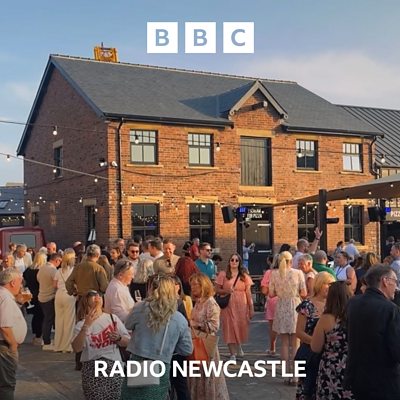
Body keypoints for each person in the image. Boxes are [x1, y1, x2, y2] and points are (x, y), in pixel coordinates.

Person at [122, 275, 192, 400]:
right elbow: (187, 349)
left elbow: (127, 324)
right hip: (161, 362)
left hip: (138, 360)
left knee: (132, 397)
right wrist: (171, 345)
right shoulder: (179, 319)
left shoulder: (140, 308)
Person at [345, 265, 400, 400]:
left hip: (357, 376)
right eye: (395, 281)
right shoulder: (390, 309)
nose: (396, 287)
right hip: (383, 380)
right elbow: (396, 348)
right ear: (385, 281)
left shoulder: (353, 303)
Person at [72, 290, 130, 400]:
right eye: (92, 295)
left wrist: (119, 338)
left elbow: (128, 342)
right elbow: (76, 348)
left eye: (99, 294)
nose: (97, 296)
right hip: (92, 368)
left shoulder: (112, 318)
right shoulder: (81, 324)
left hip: (114, 366)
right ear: (86, 301)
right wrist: (86, 326)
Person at [188, 273, 229, 400]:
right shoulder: (198, 302)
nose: (193, 287)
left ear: (203, 285)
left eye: (196, 284)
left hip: (206, 344)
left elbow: (214, 326)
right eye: (192, 285)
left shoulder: (211, 303)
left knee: (207, 374)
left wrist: (195, 324)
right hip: (196, 342)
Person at [295, 272, 335, 400]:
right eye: (327, 284)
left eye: (332, 284)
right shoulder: (307, 305)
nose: (330, 287)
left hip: (328, 356)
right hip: (309, 354)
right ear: (319, 285)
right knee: (307, 388)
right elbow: (299, 332)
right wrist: (316, 341)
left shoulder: (333, 305)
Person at [311, 281, 354, 399]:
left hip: (331, 368)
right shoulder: (357, 316)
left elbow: (315, 347)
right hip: (352, 366)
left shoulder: (326, 319)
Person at [269, 251, 307, 383]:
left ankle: (286, 374)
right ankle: (296, 375)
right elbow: (304, 293)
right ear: (291, 261)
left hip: (281, 306)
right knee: (295, 344)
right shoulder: (298, 273)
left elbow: (271, 293)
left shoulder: (274, 274)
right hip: (295, 306)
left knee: (284, 343)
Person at [215, 253, 254, 360]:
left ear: (239, 262)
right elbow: (216, 289)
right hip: (228, 304)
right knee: (229, 327)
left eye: (236, 260)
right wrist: (226, 290)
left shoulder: (244, 276)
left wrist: (251, 308)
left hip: (241, 305)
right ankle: (232, 354)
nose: (234, 262)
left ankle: (238, 345)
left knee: (240, 326)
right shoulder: (223, 274)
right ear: (229, 261)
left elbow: (248, 293)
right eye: (232, 260)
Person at [0, 268, 27, 400]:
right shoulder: (5, 297)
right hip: (5, 346)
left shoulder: (4, 295)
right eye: (20, 282)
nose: (21, 286)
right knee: (7, 385)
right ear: (12, 283)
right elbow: (5, 326)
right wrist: (13, 345)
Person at [37, 252, 63, 350]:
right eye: (60, 262)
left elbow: (38, 279)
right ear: (57, 260)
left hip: (41, 296)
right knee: (49, 320)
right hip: (49, 297)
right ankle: (47, 341)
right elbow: (57, 284)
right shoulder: (53, 270)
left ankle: (46, 339)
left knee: (46, 319)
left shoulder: (42, 268)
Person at [53, 248, 76, 352]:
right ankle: (67, 346)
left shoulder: (59, 271)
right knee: (69, 322)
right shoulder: (74, 270)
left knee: (59, 321)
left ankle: (58, 345)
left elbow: (54, 285)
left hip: (59, 295)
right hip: (69, 295)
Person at [23, 251, 47, 345]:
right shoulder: (42, 271)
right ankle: (39, 336)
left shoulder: (28, 270)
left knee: (36, 316)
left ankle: (36, 335)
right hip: (40, 295)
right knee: (41, 316)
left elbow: (24, 281)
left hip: (30, 295)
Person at [260, 256, 278, 356]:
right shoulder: (292, 273)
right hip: (288, 301)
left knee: (273, 326)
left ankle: (272, 348)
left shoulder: (269, 273)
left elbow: (264, 290)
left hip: (272, 300)